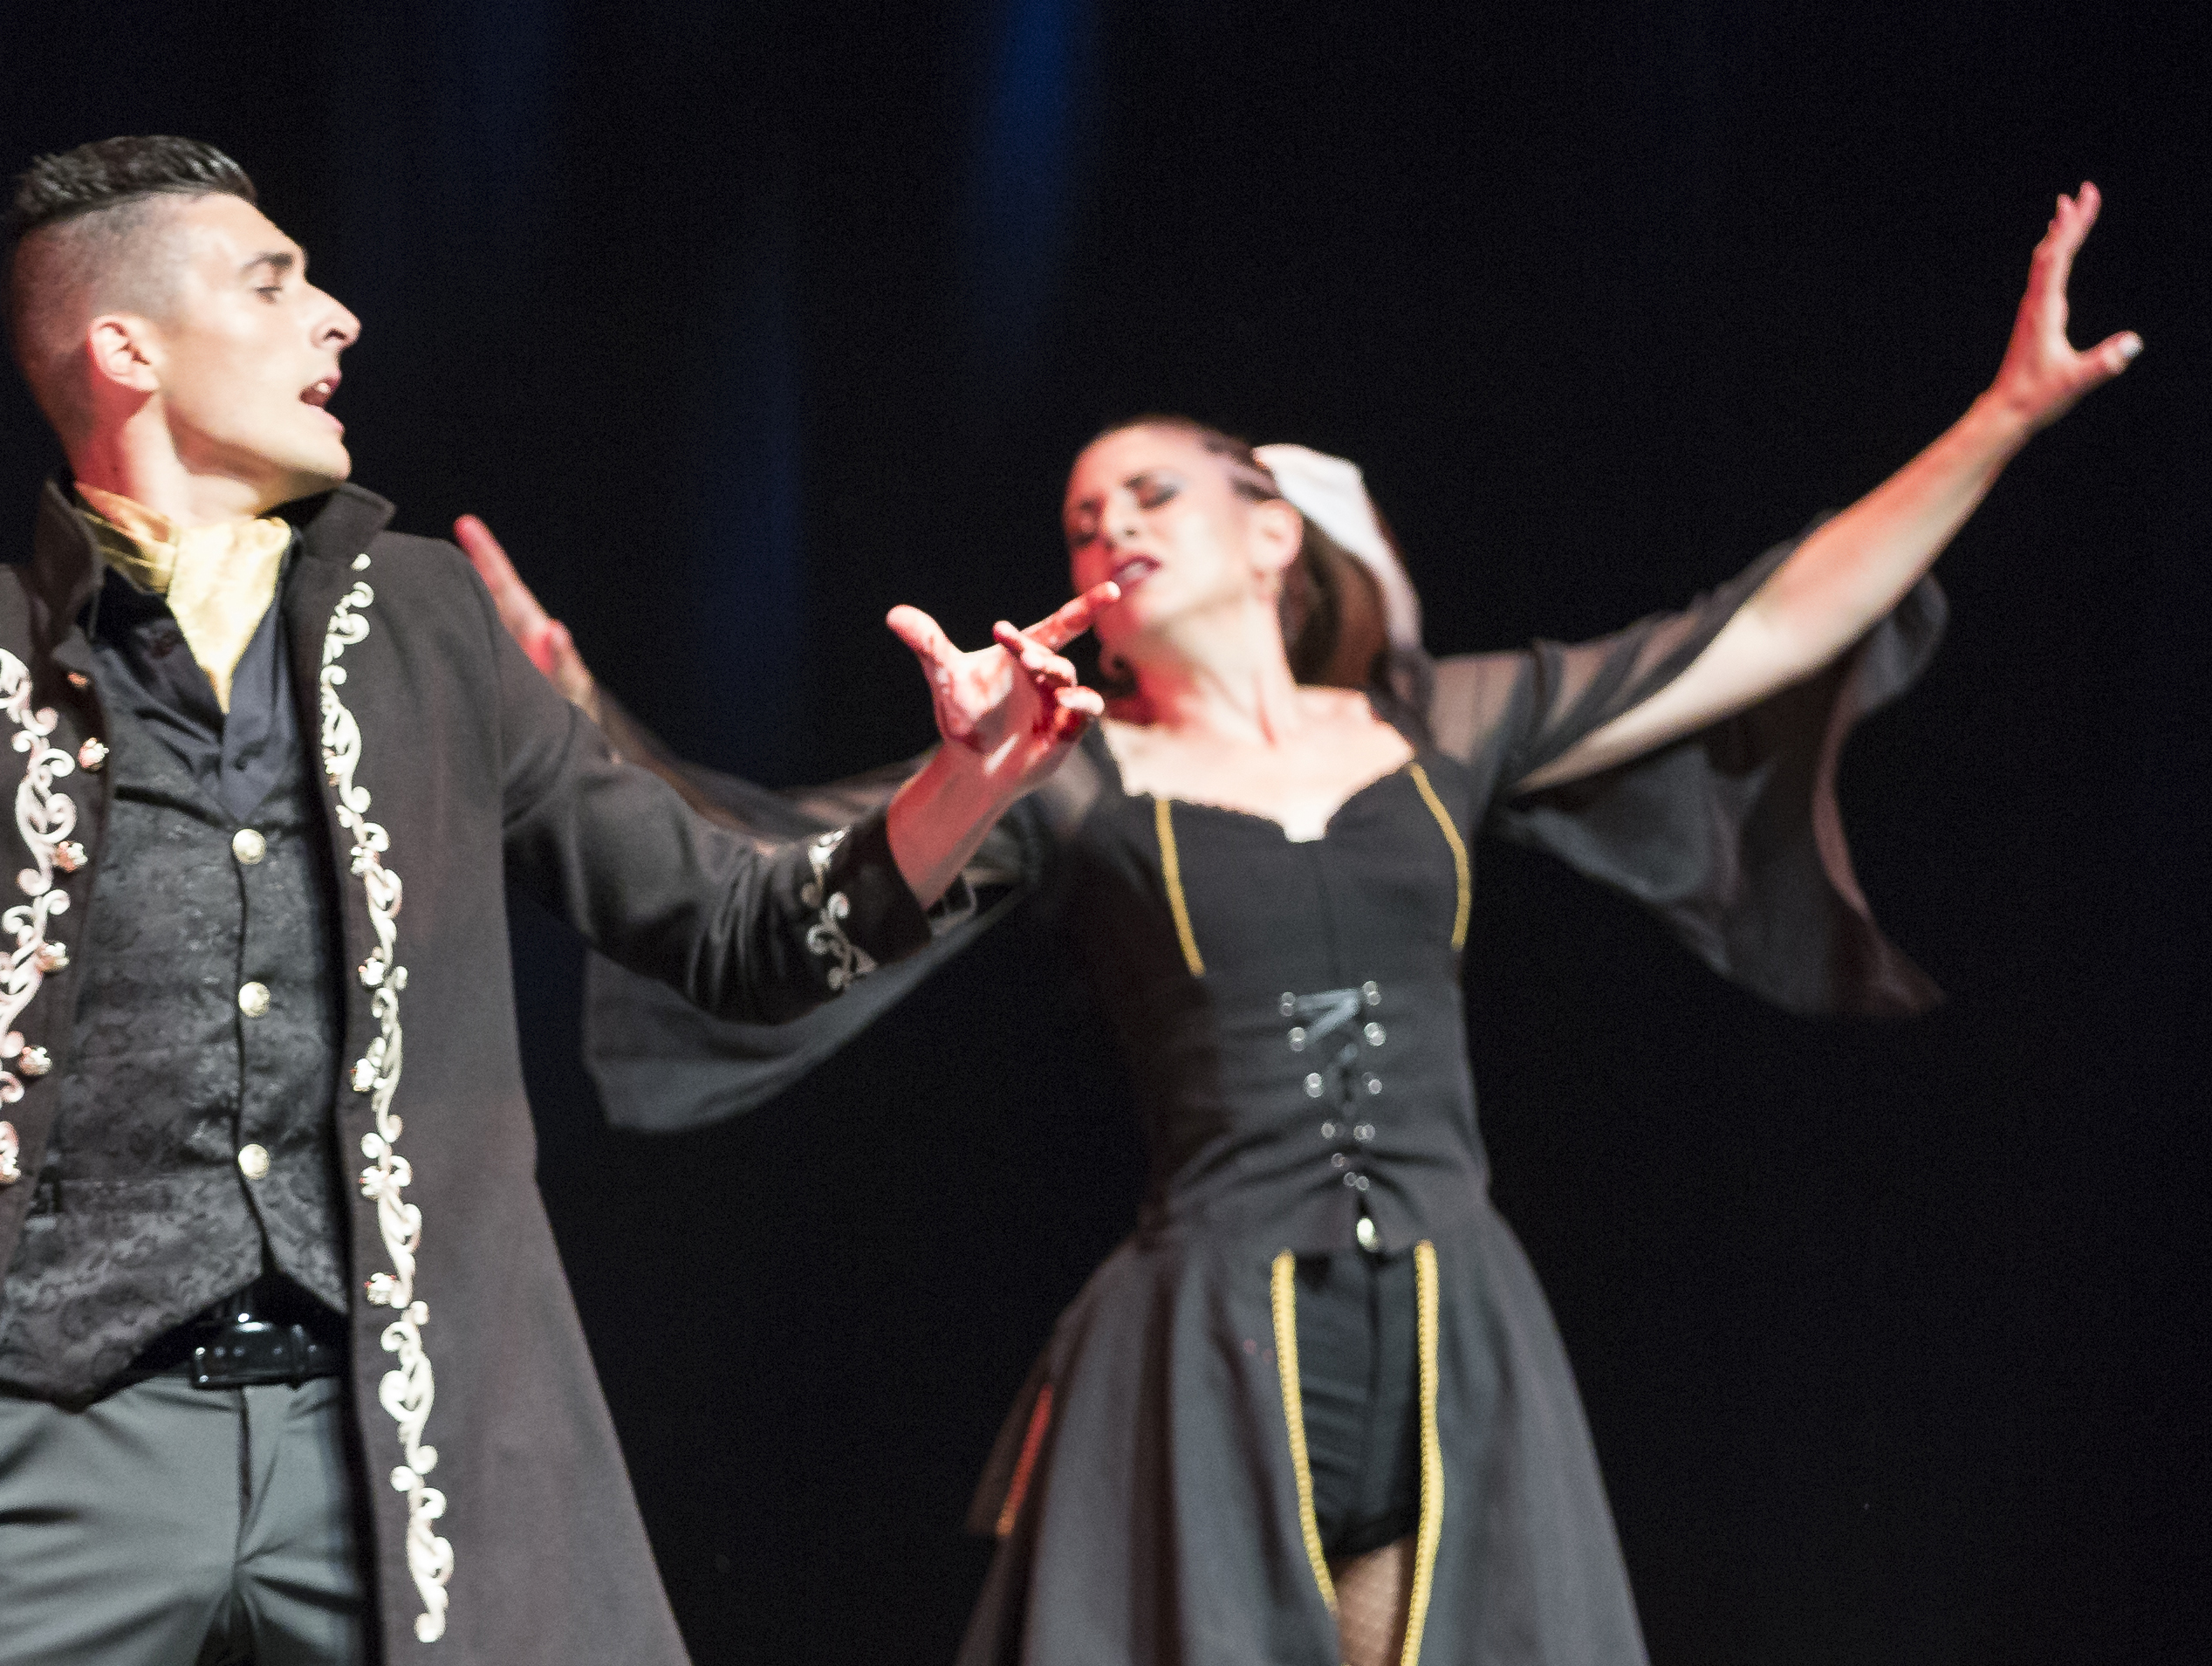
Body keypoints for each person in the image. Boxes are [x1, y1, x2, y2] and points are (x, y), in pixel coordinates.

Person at [0, 135, 1107, 1666]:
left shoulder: (429, 625)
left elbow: (736, 936)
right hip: (52, 1435)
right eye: (273, 284)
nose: (335, 318)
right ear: (125, 347)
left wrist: (964, 780)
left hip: (397, 1444)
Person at [461, 185, 2137, 1666]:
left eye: (1150, 495)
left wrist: (1999, 418)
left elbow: (1754, 631)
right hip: (1207, 1347)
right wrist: (571, 718)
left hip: (1455, 1330)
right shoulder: (1068, 775)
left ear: (1272, 534)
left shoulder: (1438, 730)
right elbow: (775, 868)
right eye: (1082, 519)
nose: (1110, 527)